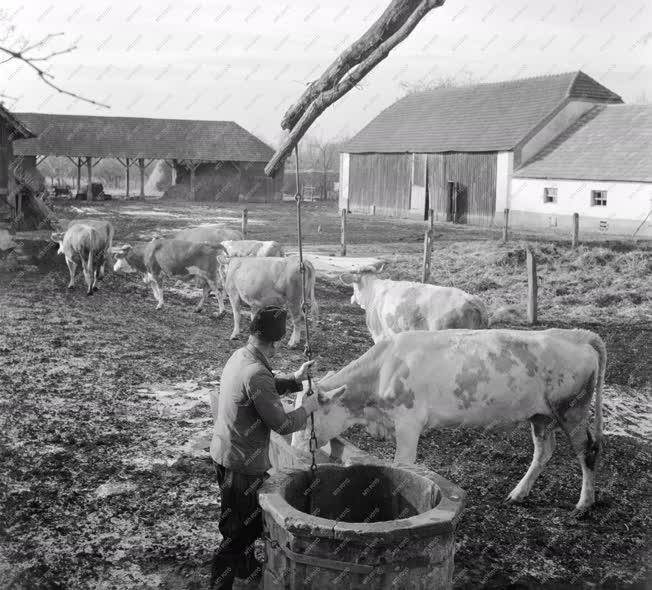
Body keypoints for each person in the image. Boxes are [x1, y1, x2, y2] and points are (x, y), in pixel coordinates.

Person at [209, 306, 320, 590]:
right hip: (242, 464)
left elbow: (262, 387)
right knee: (237, 534)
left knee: (241, 524)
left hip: (225, 454)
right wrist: (306, 409)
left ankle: (246, 569)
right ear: (278, 340)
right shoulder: (257, 372)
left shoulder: (241, 356)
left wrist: (295, 379)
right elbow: (282, 424)